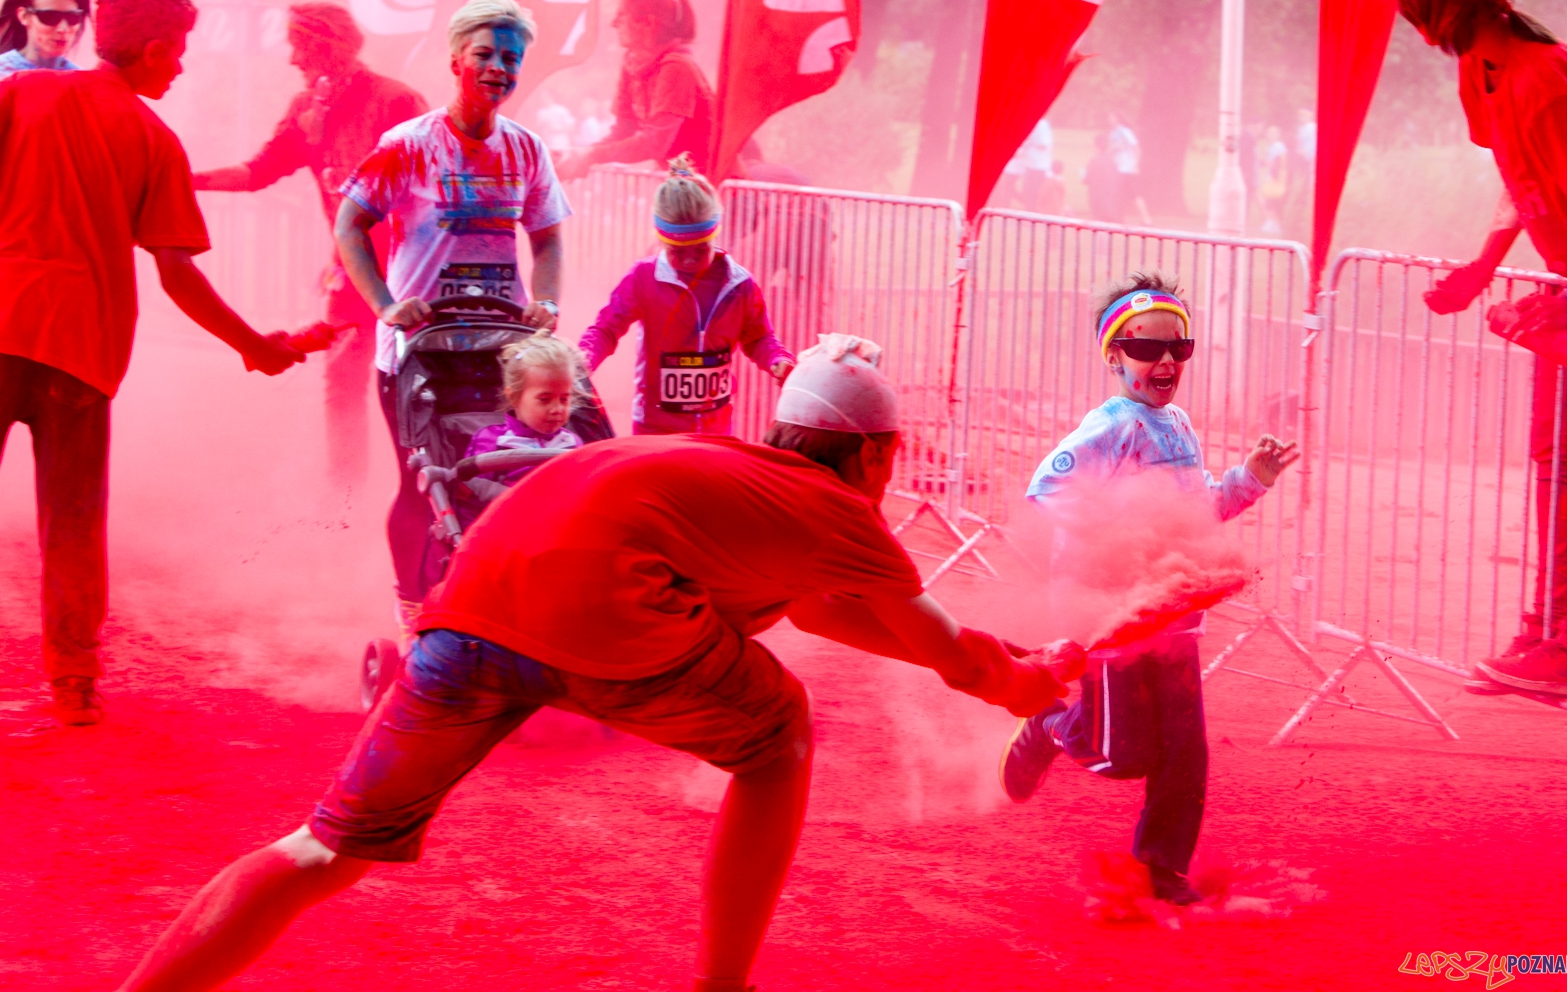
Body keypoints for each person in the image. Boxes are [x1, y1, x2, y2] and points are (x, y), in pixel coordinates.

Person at [115, 335, 1073, 992]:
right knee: (776, 732)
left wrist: (1007, 661)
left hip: (473, 607)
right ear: (877, 453)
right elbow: (943, 651)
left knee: (325, 847)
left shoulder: (726, 471)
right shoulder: (838, 511)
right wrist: (1021, 682)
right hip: (604, 613)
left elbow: (828, 612)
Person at [0, 0, 303, 726]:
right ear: (159, 48)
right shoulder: (152, 138)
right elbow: (178, 275)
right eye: (182, 53)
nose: (182, 67)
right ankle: (74, 682)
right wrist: (253, 346)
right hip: (80, 350)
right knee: (72, 521)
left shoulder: (23, 95)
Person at [1000, 271, 1299, 905]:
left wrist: (1252, 477)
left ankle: (1162, 867)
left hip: (1174, 618)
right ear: (1115, 356)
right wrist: (1121, 538)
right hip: (1115, 615)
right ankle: (1050, 724)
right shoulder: (1110, 426)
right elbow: (1046, 490)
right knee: (1122, 753)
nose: (1164, 360)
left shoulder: (1180, 426)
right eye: (1146, 348)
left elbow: (1196, 513)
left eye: (1177, 348)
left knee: (1185, 752)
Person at [1397, 0, 1567, 701]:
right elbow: (1524, 178)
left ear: (1441, 7)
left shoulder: (1542, 77)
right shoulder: (1485, 72)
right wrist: (1483, 265)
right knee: (1559, 468)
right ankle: (1548, 634)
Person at [332, 0, 568, 627]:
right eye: (485, 54)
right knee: (424, 485)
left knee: (502, 480)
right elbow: (350, 224)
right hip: (418, 355)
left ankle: (485, 607)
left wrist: (544, 302)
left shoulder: (527, 151)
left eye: (511, 58)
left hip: (502, 353)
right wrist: (385, 305)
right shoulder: (407, 146)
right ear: (456, 59)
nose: (499, 67)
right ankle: (414, 613)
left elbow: (547, 238)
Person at [192, 2, 426, 484]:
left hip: (413, 269)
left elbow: (437, 186)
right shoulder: (306, 110)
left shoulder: (395, 102)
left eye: (300, 47)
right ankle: (346, 498)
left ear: (330, 47)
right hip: (352, 272)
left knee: (419, 383)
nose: (293, 60)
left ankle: (432, 492)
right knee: (342, 387)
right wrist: (188, 180)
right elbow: (258, 171)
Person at [580, 155, 795, 435]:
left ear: (715, 236)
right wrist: (584, 358)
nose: (690, 261)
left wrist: (777, 360)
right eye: (678, 253)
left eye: (700, 250)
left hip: (716, 429)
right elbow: (606, 328)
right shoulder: (644, 278)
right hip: (655, 428)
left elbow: (759, 337)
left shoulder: (739, 284)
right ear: (662, 241)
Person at [557, 0, 712, 179]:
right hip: (688, 192)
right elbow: (624, 130)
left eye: (622, 14)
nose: (614, 23)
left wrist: (591, 155)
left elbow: (654, 143)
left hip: (721, 194)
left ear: (648, 23)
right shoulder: (632, 64)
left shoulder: (677, 68)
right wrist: (580, 154)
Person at [458, 329, 586, 508]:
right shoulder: (492, 442)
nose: (557, 409)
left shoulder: (572, 442)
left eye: (564, 399)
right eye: (545, 399)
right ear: (514, 397)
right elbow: (470, 497)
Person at [0, 0, 89, 79]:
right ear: (23, 16)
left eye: (73, 18)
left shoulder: (82, 81)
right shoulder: (3, 74)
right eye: (49, 17)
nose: (63, 28)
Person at [1106, 112, 1152, 226]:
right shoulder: (1113, 133)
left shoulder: (1125, 131)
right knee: (1118, 193)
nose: (1110, 120)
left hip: (1127, 168)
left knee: (1135, 195)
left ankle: (1147, 220)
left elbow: (1136, 147)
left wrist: (1135, 164)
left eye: (1112, 117)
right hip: (1118, 168)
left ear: (1118, 118)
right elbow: (1112, 150)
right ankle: (1118, 218)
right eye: (1109, 117)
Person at [1256, 125, 1288, 236]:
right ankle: (1271, 222)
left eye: (1273, 133)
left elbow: (1277, 163)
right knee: (1267, 200)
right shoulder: (1271, 146)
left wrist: (1262, 161)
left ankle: (1274, 223)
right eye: (1269, 133)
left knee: (1267, 199)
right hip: (1271, 177)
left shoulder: (1278, 146)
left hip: (1275, 178)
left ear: (1277, 135)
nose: (1270, 135)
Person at [1083, 132, 1121, 222]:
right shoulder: (1112, 162)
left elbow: (1086, 179)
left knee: (1098, 223)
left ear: (1096, 145)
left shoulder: (1094, 160)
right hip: (1110, 197)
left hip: (1097, 197)